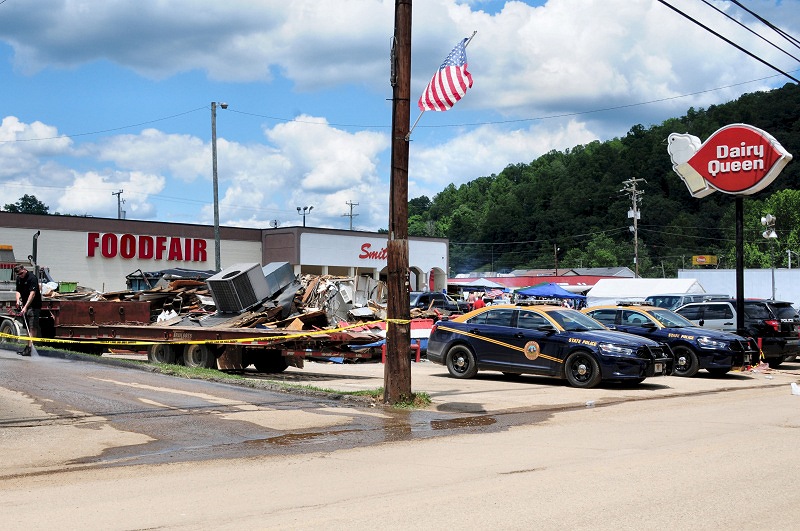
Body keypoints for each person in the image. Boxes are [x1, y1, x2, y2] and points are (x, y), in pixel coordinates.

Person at [14, 264, 41, 356]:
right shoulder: (19, 279)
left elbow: (32, 294)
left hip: (34, 306)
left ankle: (31, 347)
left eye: (21, 273)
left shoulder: (32, 278)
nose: (20, 275)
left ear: (24, 269)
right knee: (26, 327)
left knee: (32, 326)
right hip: (25, 306)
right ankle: (27, 347)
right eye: (18, 274)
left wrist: (25, 307)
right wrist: (18, 300)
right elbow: (18, 291)